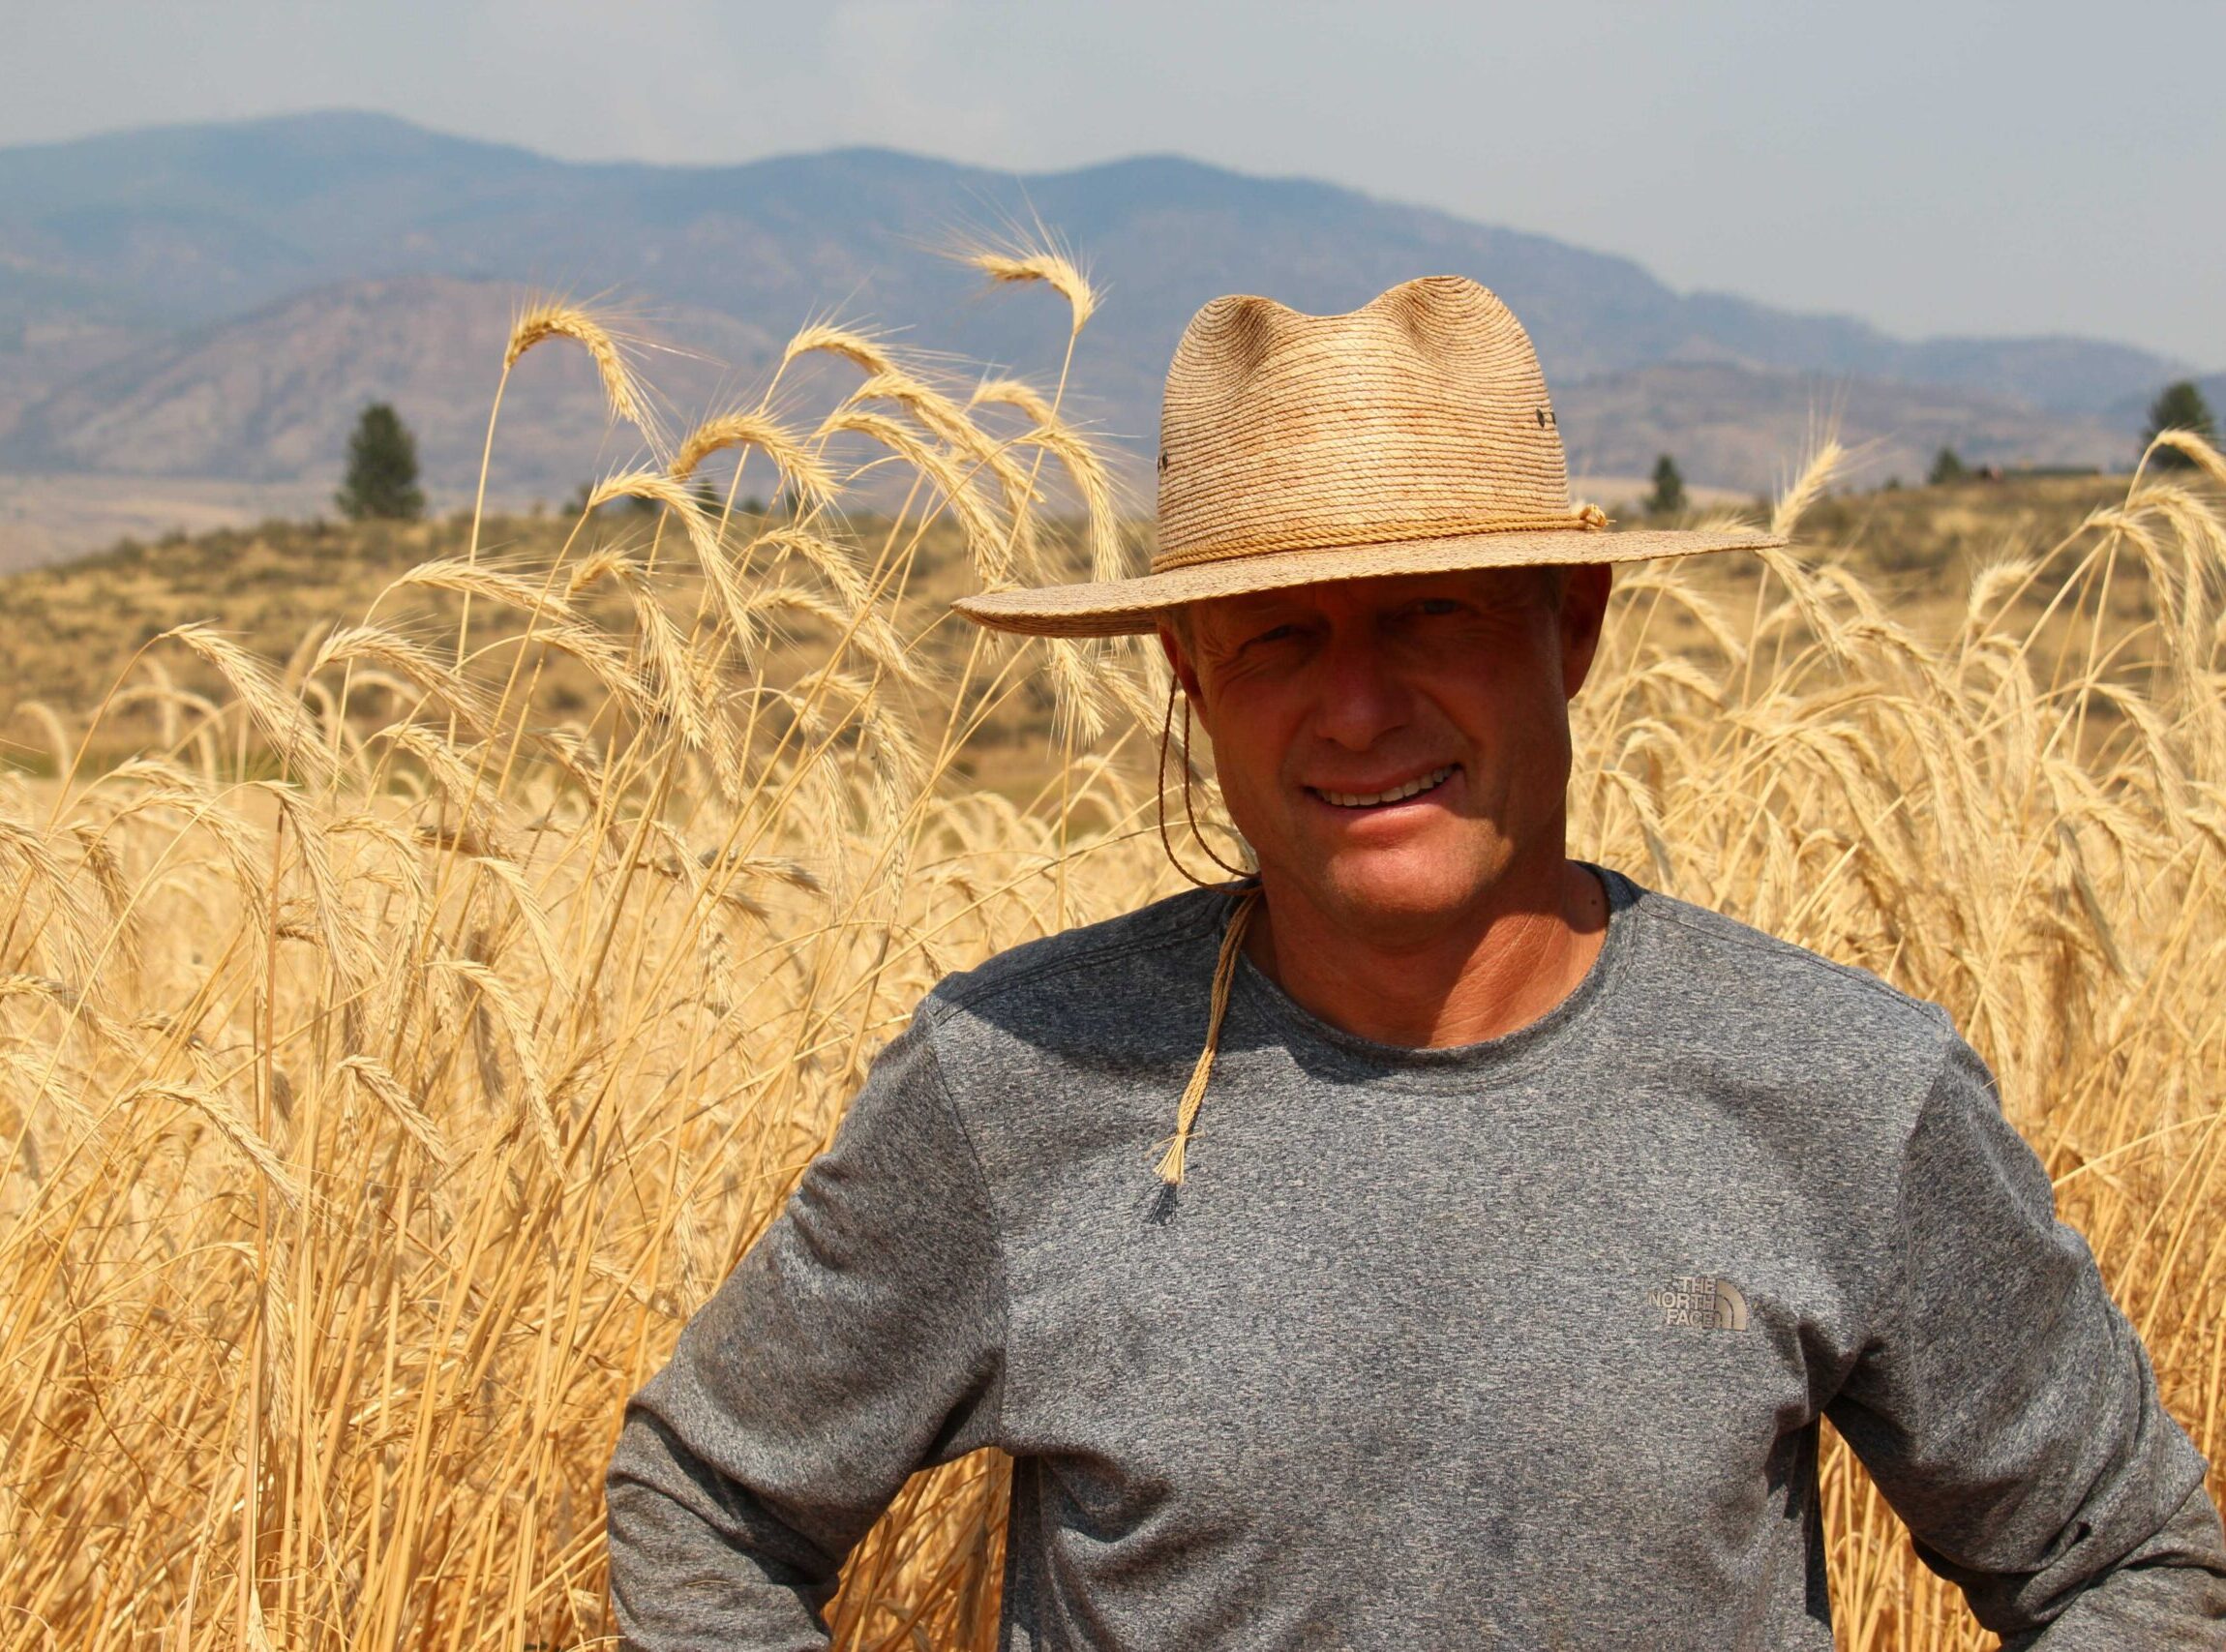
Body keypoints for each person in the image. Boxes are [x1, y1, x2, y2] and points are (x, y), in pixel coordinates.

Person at [605, 277, 2226, 1649]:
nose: (1360, 709)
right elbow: (706, 1506)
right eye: (1281, 635)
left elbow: (2129, 1565)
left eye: (1432, 614)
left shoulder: (1840, 1090)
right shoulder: (1021, 1079)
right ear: (1189, 672)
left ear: (1571, 624)